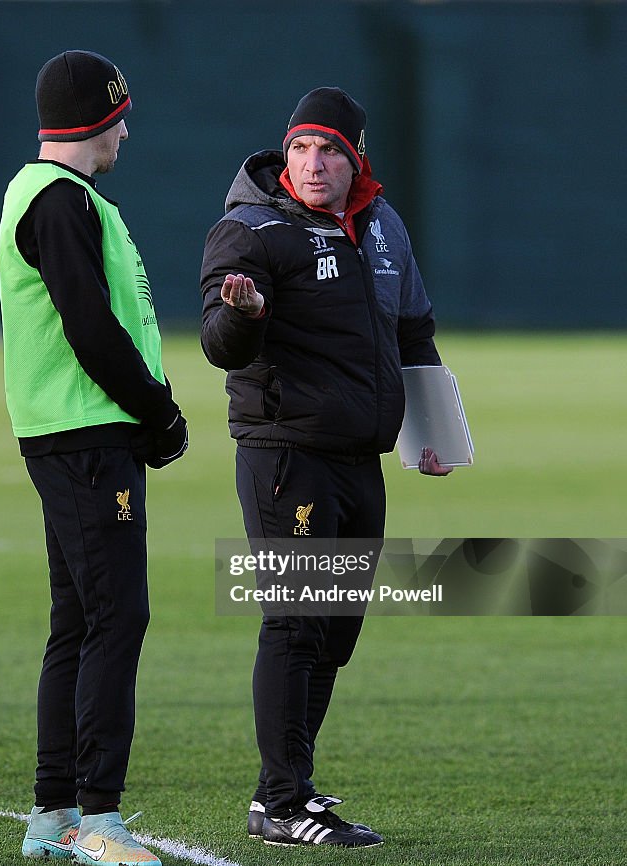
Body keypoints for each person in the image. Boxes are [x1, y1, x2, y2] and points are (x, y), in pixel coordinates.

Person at [199, 86, 452, 849]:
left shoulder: (381, 226)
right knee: (297, 622)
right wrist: (242, 316)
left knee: (336, 632)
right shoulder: (252, 229)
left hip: (358, 460)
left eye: (329, 150)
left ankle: (286, 791)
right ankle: (282, 802)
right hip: (287, 456)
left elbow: (413, 332)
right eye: (301, 148)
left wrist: (433, 431)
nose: (312, 163)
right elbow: (218, 340)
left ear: (356, 158)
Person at [0, 49, 188, 866]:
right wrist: (157, 410)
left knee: (77, 624)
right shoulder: (60, 200)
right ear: (94, 120)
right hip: (87, 435)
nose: (126, 130)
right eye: (118, 116)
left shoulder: (58, 196)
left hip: (72, 432)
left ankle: (53, 815)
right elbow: (89, 325)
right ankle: (98, 820)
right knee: (117, 617)